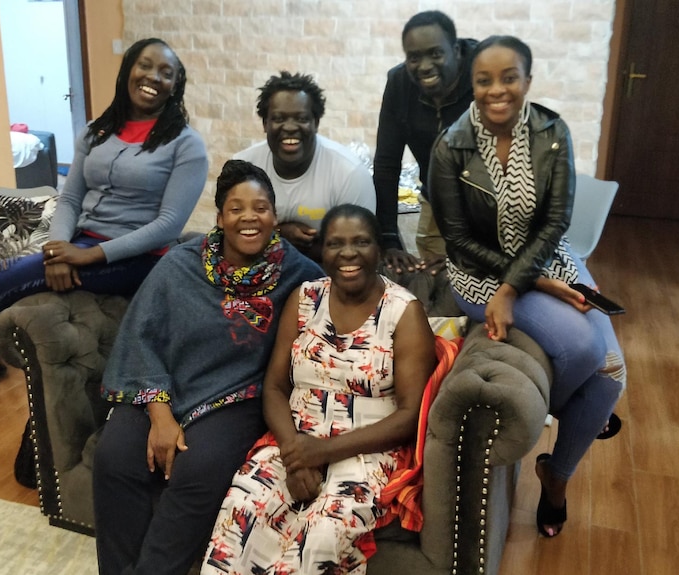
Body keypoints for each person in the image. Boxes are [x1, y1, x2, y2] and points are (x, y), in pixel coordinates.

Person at [428, 35, 627, 538]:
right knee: (583, 347)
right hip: (478, 275)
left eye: (509, 77)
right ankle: (576, 416)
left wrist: (524, 283)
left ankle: (555, 477)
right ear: (471, 85)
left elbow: (556, 221)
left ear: (528, 81)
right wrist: (528, 283)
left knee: (612, 374)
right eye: (484, 80)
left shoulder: (552, 132)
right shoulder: (451, 147)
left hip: (546, 258)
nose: (498, 90)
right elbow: (456, 240)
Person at [92, 159, 323, 575]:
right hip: (161, 388)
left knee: (198, 467)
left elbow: (346, 302)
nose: (249, 217)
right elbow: (141, 337)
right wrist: (160, 414)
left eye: (261, 207)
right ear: (220, 217)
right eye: (236, 208)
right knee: (114, 457)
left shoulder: (300, 275)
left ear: (274, 215)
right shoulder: (179, 265)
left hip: (236, 398)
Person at [201, 204, 437, 574]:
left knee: (324, 532)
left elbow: (409, 417)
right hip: (294, 440)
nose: (347, 253)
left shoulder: (403, 313)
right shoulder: (305, 298)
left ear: (378, 249)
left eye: (361, 242)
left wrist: (321, 452)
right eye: (335, 243)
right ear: (322, 252)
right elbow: (276, 387)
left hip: (367, 451)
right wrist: (296, 453)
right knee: (242, 506)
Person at [0, 38, 208, 319]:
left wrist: (89, 256)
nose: (153, 76)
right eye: (145, 65)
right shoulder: (96, 130)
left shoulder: (187, 145)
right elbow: (69, 198)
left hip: (138, 259)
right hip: (79, 243)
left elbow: (168, 226)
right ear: (128, 69)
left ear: (175, 86)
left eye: (167, 73)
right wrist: (57, 253)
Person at [373, 10, 476, 275]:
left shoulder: (483, 72)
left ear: (456, 50)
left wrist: (467, 257)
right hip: (438, 201)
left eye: (436, 54)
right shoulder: (400, 83)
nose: (425, 66)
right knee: (435, 282)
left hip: (489, 206)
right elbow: (387, 164)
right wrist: (389, 238)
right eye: (414, 57)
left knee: (477, 285)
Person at [234, 71, 376, 262]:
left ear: (316, 123)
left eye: (301, 118)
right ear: (265, 124)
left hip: (328, 278)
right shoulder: (242, 168)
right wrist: (278, 234)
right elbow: (228, 235)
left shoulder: (349, 173)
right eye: (279, 118)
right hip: (254, 274)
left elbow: (360, 251)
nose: (290, 127)